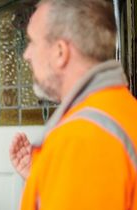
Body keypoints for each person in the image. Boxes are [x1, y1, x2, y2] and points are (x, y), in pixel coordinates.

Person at [9, 0, 137, 209]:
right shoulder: (122, 110)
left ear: (60, 52)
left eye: (32, 41)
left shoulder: (81, 139)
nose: (26, 54)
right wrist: (44, 175)